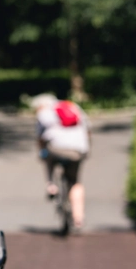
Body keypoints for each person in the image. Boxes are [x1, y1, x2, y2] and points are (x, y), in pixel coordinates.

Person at [30, 93, 91, 229]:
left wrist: (41, 152)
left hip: (56, 148)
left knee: (47, 157)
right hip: (78, 149)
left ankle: (51, 185)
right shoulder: (73, 106)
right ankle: (78, 217)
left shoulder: (44, 113)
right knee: (75, 182)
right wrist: (86, 149)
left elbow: (40, 138)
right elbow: (87, 129)